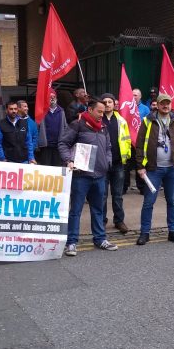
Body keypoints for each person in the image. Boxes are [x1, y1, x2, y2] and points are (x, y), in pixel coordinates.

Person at [58, 98, 118, 255]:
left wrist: (108, 162)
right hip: (81, 176)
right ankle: (71, 242)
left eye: (103, 112)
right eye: (99, 112)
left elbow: (108, 148)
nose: (101, 115)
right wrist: (68, 160)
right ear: (90, 110)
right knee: (76, 210)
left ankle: (100, 239)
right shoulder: (77, 125)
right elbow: (63, 143)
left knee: (98, 209)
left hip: (99, 176)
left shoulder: (103, 128)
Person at [135, 93, 174, 245]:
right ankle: (145, 233)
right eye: (162, 103)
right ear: (157, 105)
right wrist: (140, 166)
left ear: (171, 105)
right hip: (153, 169)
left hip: (172, 169)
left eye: (168, 103)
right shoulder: (147, 121)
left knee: (172, 201)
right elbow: (139, 145)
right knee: (148, 202)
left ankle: (173, 231)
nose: (165, 106)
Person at [99, 93, 131, 234]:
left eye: (109, 102)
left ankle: (119, 220)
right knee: (102, 195)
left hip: (118, 163)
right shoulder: (97, 120)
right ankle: (102, 220)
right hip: (102, 164)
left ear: (114, 104)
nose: (107, 104)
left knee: (118, 195)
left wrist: (127, 155)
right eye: (104, 102)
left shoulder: (121, 120)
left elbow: (127, 139)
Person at [37, 91, 67, 167]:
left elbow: (65, 126)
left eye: (54, 96)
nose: (52, 98)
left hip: (58, 145)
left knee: (57, 167)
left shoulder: (61, 111)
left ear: (56, 98)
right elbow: (38, 126)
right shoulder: (42, 111)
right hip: (46, 145)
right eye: (50, 97)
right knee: (46, 167)